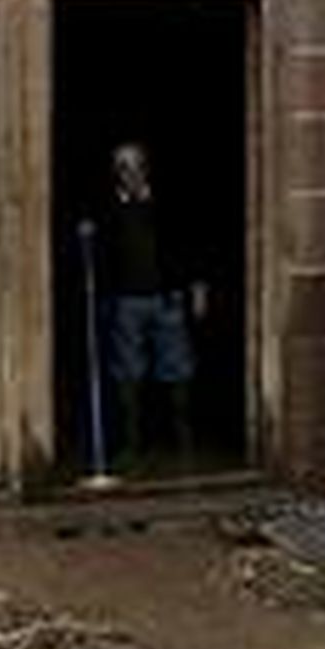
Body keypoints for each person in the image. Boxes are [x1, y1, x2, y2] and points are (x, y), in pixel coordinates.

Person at [93, 140, 207, 471]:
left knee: (178, 368)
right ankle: (132, 447)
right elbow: (98, 257)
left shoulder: (169, 203)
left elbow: (191, 241)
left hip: (167, 298)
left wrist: (198, 286)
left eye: (135, 165)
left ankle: (185, 443)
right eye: (122, 167)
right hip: (126, 301)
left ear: (146, 167)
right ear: (115, 173)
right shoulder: (106, 209)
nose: (130, 173)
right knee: (128, 373)